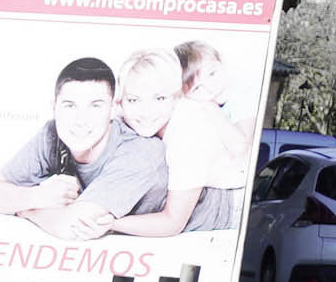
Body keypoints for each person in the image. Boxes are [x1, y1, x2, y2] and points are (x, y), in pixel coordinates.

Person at [0, 57, 170, 240]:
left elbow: (72, 227)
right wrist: (36, 196)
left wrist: (27, 209)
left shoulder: (140, 153)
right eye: (70, 105)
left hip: (189, 240)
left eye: (95, 106)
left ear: (113, 109)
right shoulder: (52, 133)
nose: (81, 121)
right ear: (54, 107)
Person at [101, 47, 248, 235]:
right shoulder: (146, 119)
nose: (146, 112)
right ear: (121, 102)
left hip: (231, 206)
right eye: (134, 100)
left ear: (176, 96)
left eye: (159, 98)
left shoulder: (186, 134)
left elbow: (173, 222)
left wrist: (111, 224)